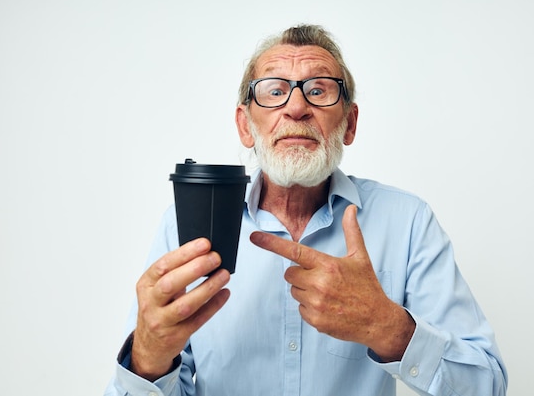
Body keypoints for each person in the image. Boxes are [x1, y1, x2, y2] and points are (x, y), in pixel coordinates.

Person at [105, 24, 508, 396]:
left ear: (349, 123)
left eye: (318, 90)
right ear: (246, 125)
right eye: (275, 90)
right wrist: (147, 359)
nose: (296, 107)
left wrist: (386, 326)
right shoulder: (186, 224)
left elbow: (487, 383)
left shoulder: (408, 222)